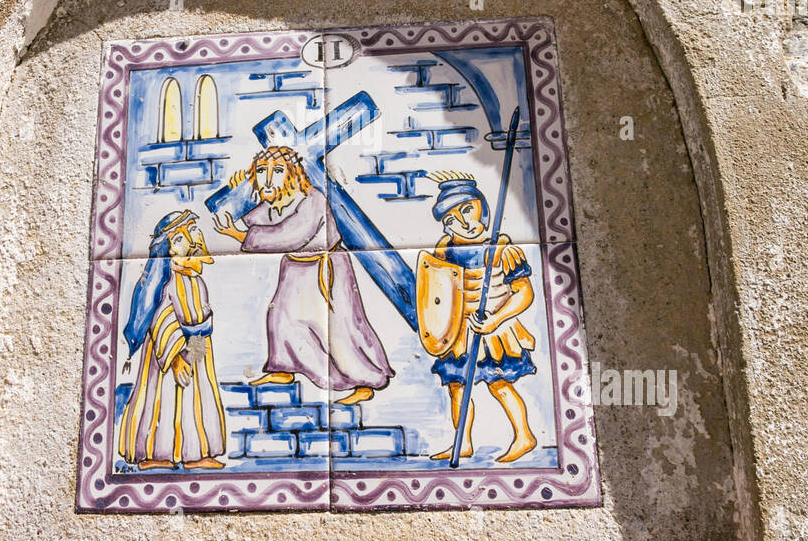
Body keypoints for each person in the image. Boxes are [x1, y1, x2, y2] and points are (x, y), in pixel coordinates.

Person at [212, 145, 393, 406]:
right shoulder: (276, 201)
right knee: (281, 319)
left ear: (292, 173)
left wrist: (238, 236)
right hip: (295, 269)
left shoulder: (313, 199)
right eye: (261, 171)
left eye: (276, 171)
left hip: (326, 269)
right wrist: (245, 199)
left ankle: (365, 381)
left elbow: (291, 235)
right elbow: (263, 221)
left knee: (340, 329)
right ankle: (283, 368)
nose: (268, 177)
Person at [417, 173, 537, 463]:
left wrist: (497, 319)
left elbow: (524, 293)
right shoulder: (444, 250)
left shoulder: (504, 249)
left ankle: (524, 436)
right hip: (458, 333)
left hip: (495, 333)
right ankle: (462, 442)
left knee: (500, 384)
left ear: (481, 207)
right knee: (457, 388)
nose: (463, 222)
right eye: (451, 218)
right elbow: (437, 291)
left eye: (467, 209)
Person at [117, 210, 225, 469]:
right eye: (191, 230)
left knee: (198, 398)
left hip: (196, 349)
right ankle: (156, 454)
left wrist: (196, 351)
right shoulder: (165, 280)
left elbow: (204, 318)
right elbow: (160, 317)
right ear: (174, 244)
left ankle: (197, 453)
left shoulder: (195, 279)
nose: (197, 235)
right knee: (162, 399)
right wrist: (176, 358)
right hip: (166, 353)